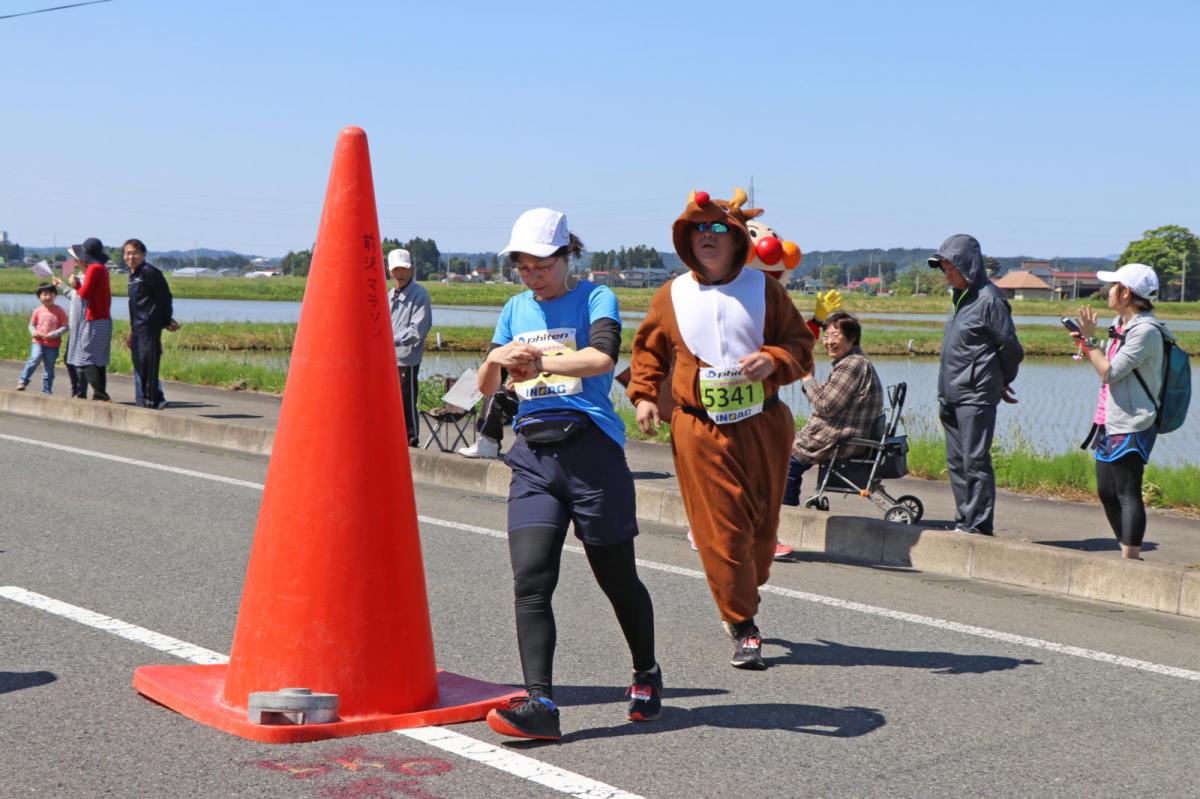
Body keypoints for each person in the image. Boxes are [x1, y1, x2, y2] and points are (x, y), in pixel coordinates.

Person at [481, 207, 660, 741]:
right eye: (522, 266)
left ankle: (646, 673)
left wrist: (539, 362)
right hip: (533, 458)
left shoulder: (595, 298)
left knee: (616, 577)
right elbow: (489, 384)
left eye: (540, 264)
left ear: (566, 255)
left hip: (591, 454)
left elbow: (602, 359)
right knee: (531, 579)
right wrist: (498, 357)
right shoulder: (515, 308)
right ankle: (541, 703)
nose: (531, 275)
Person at [627, 189, 813, 670]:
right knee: (721, 530)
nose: (706, 237)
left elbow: (799, 346)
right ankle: (743, 624)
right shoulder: (672, 294)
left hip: (763, 425)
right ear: (685, 239)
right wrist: (645, 395)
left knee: (759, 533)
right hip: (699, 428)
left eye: (716, 230)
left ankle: (745, 589)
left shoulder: (765, 289)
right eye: (697, 230)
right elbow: (648, 350)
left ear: (734, 239)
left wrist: (771, 360)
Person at [1068, 263, 1166, 560]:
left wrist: (1090, 340)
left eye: (1113, 286)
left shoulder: (1146, 331)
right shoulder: (1120, 324)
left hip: (1133, 421)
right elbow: (1105, 364)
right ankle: (1126, 550)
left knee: (1127, 492)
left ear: (1126, 292)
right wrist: (1089, 345)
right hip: (1107, 419)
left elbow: (1110, 372)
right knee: (1107, 492)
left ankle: (1130, 558)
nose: (1107, 291)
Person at [928, 234, 1023, 536]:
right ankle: (965, 520)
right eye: (943, 269)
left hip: (976, 394)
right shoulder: (960, 298)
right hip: (951, 391)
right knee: (956, 462)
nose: (946, 275)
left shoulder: (989, 299)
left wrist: (1001, 381)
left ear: (967, 265)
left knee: (974, 459)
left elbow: (1010, 348)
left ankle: (979, 525)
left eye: (950, 268)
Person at [782, 311, 884, 505]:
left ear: (852, 338)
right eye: (826, 336)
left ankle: (788, 514)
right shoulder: (853, 362)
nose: (829, 341)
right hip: (845, 434)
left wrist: (807, 379)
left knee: (786, 463)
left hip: (841, 438)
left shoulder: (851, 365)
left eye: (835, 336)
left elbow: (826, 406)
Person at [124, 239, 178, 409]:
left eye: (134, 253)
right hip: (138, 328)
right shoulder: (133, 274)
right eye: (127, 253)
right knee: (139, 365)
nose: (130, 256)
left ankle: (150, 403)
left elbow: (164, 298)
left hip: (149, 326)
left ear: (143, 254)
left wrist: (166, 320)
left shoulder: (149, 272)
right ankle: (149, 401)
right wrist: (132, 331)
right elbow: (135, 305)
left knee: (148, 365)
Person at [388, 248, 432, 447]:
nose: (401, 273)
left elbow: (418, 330)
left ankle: (411, 440)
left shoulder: (420, 294)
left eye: (404, 269)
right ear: (390, 272)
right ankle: (393, 438)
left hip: (407, 358)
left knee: (407, 400)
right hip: (388, 358)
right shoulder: (389, 294)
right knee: (389, 401)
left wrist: (391, 340)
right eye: (396, 269)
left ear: (412, 269)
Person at [66, 238, 114, 402]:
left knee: (85, 358)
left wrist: (76, 284)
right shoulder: (102, 269)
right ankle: (99, 395)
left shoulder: (94, 269)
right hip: (103, 319)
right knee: (98, 360)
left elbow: (85, 294)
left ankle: (101, 394)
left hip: (93, 319)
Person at [15, 284, 69, 394]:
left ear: (55, 296)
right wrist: (34, 332)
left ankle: (47, 390)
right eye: (44, 294)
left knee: (49, 368)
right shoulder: (37, 310)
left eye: (50, 294)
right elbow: (32, 324)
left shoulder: (60, 310)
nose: (47, 297)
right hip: (38, 342)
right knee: (34, 359)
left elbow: (65, 326)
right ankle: (23, 381)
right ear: (39, 297)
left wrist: (54, 334)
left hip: (53, 345)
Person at [54, 260, 88, 398]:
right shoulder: (80, 275)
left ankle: (80, 392)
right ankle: (77, 391)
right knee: (69, 360)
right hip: (75, 327)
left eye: (76, 258)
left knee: (78, 362)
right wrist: (61, 285)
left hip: (83, 326)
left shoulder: (88, 277)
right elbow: (74, 296)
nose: (74, 261)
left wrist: (77, 284)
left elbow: (84, 297)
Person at [457, 386, 517, 459]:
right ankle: (490, 444)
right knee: (492, 386)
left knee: (495, 391)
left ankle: (488, 443)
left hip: (527, 399)